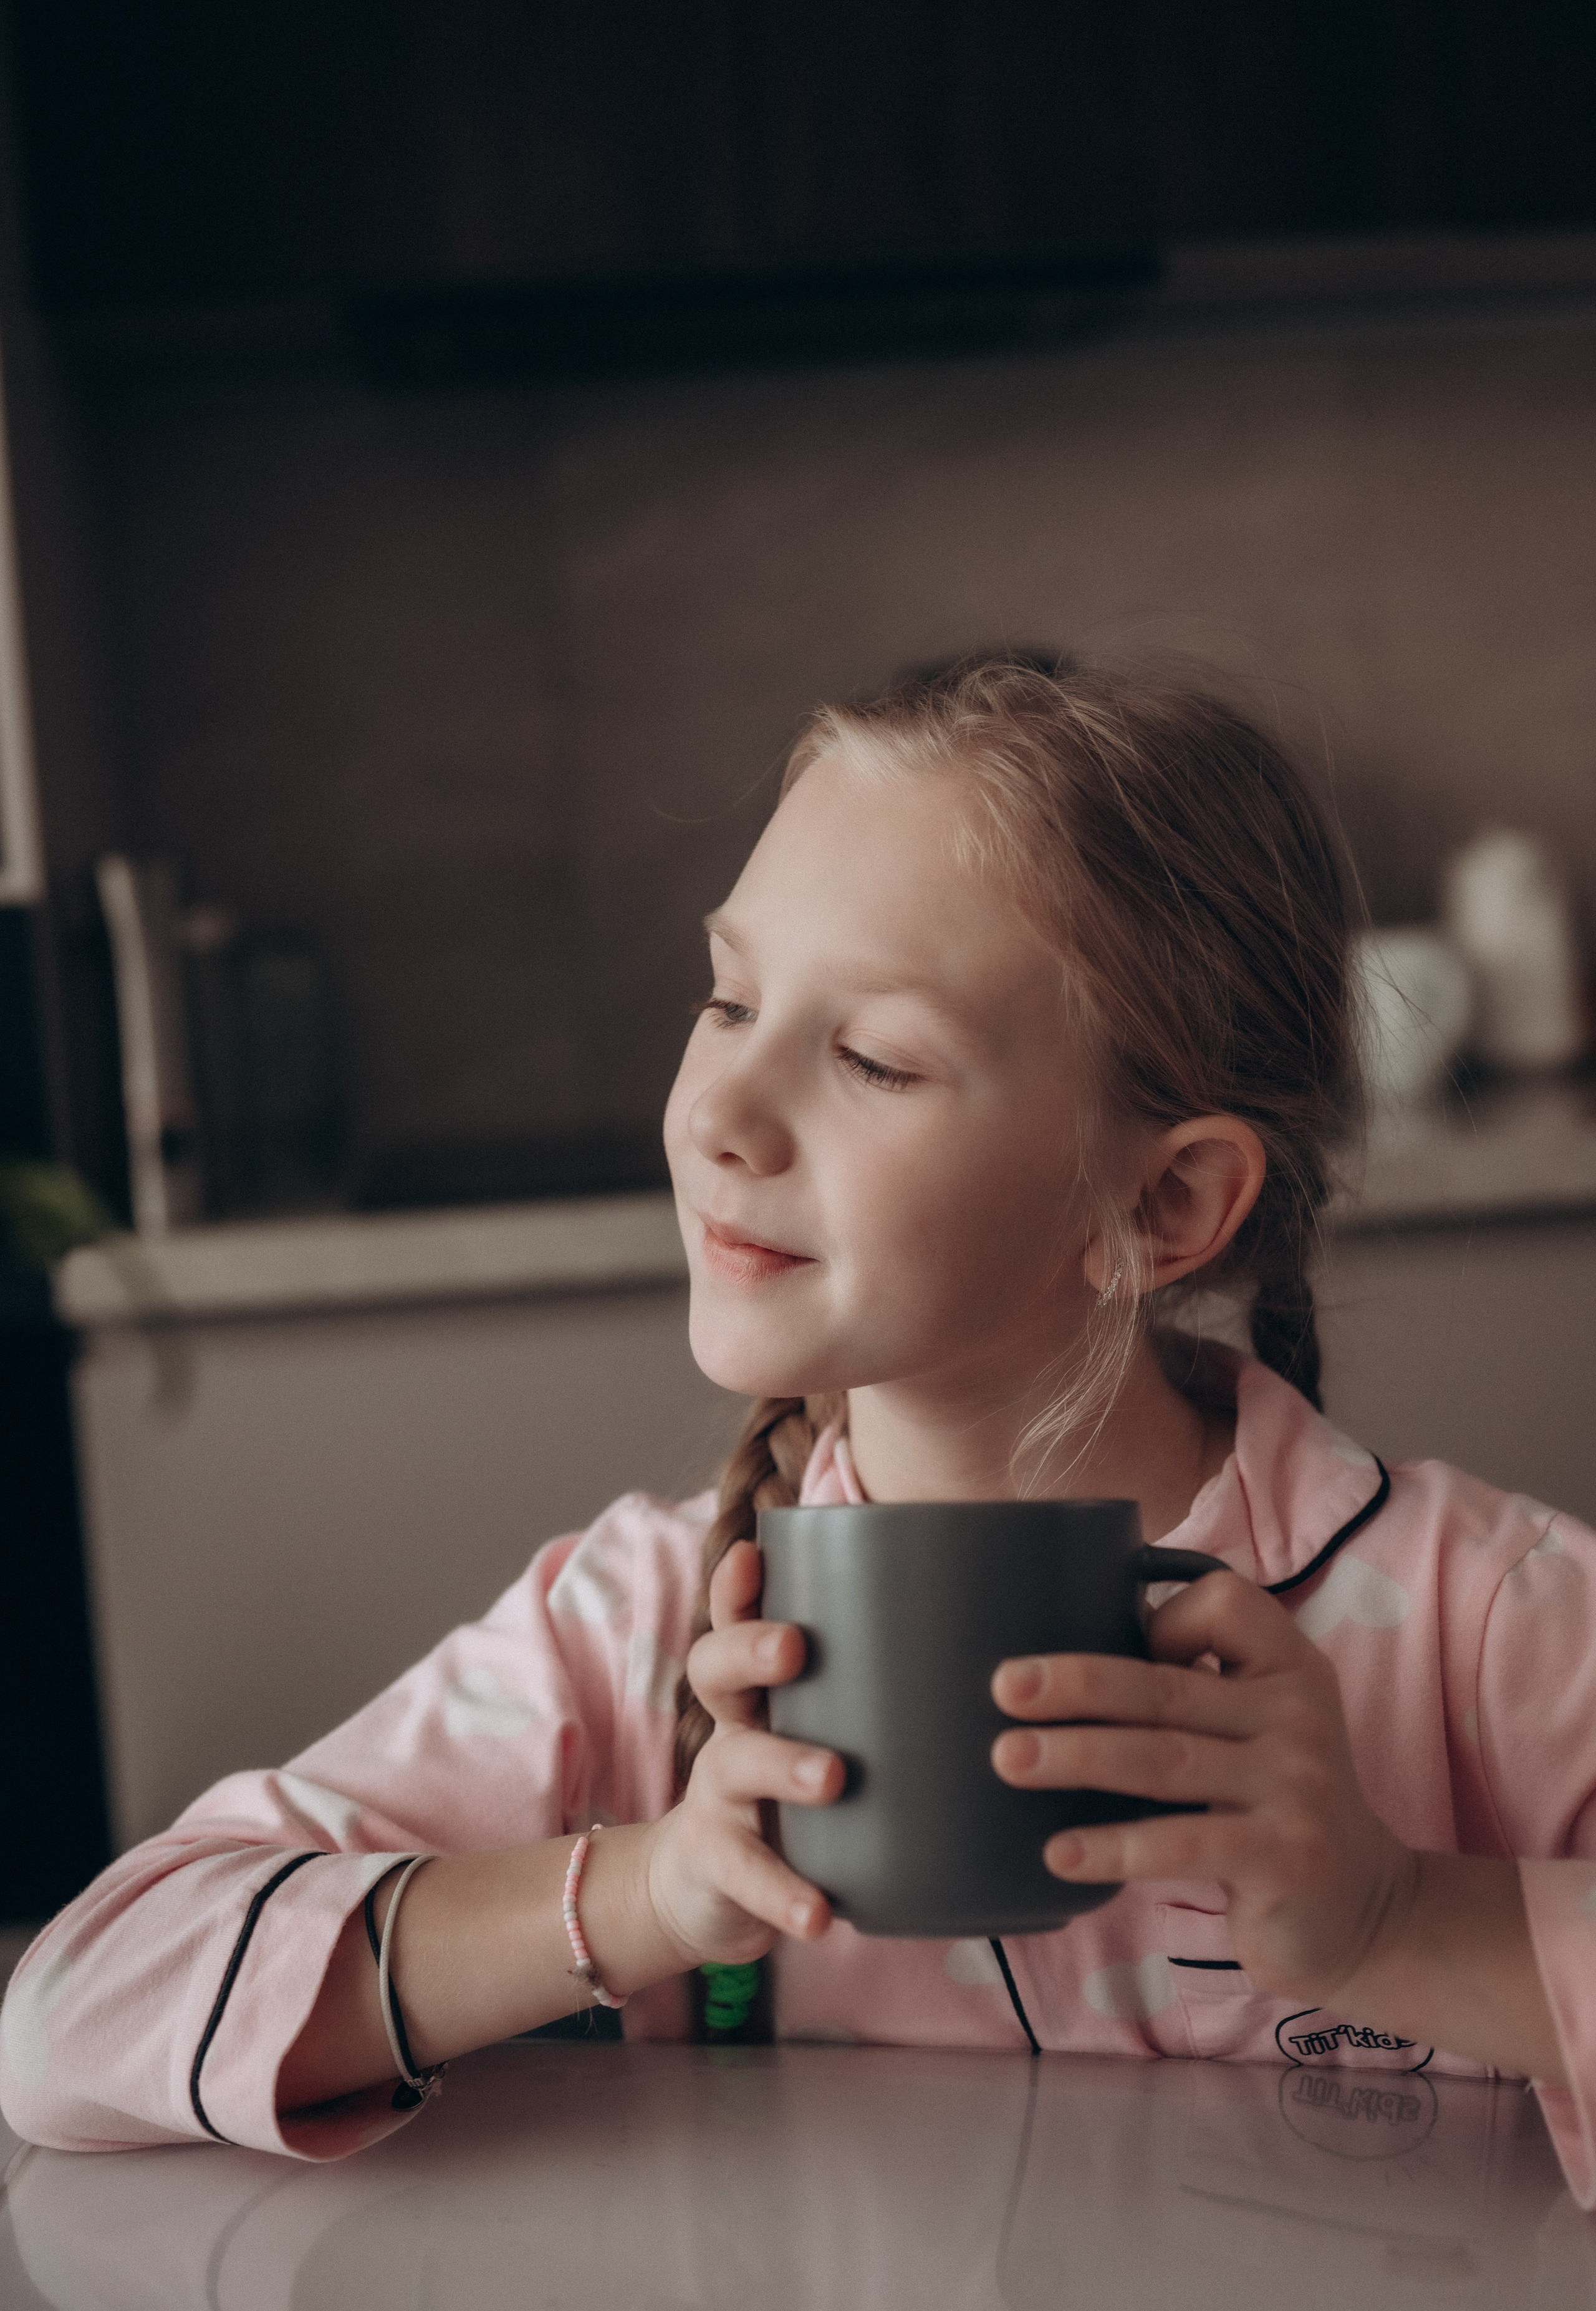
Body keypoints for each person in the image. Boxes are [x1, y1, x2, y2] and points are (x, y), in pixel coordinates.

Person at [5, 657, 1595, 2200]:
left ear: (1162, 1201)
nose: (715, 1110)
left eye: (870, 1057)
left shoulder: (1489, 1627)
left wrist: (1398, 1921)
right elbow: (78, 2010)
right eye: (728, 997)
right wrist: (645, 1889)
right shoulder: (640, 1630)